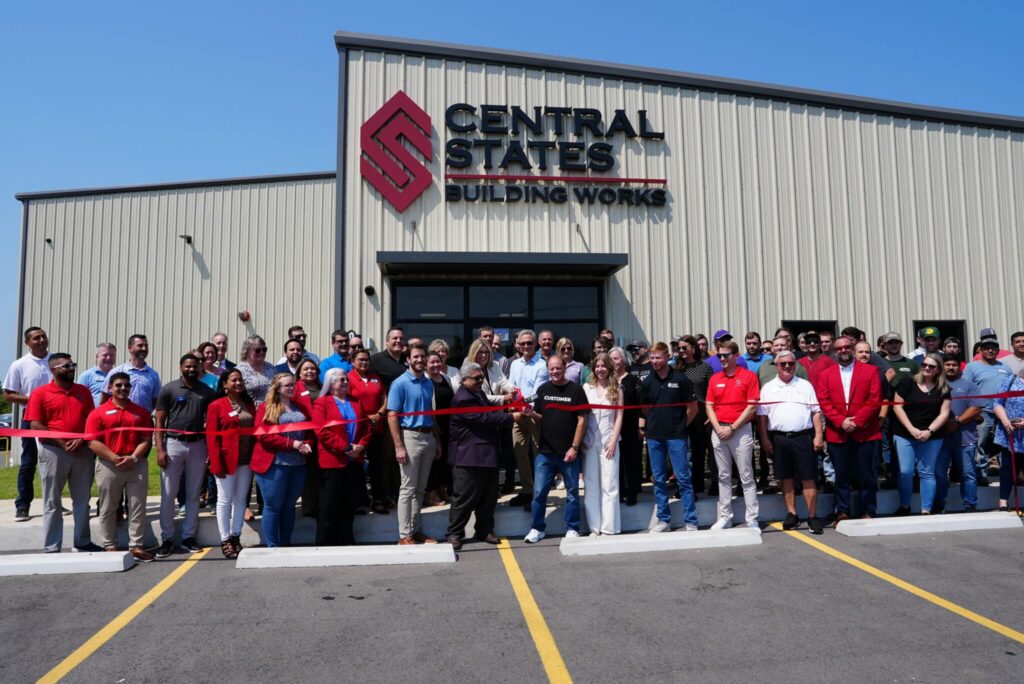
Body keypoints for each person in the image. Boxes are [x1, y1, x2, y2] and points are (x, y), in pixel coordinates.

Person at [25, 353, 98, 552]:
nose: (71, 369)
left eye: (73, 365)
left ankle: (82, 542)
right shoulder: (40, 393)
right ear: (53, 370)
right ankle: (52, 546)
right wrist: (62, 442)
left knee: (82, 500)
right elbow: (35, 425)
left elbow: (91, 421)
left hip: (82, 452)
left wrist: (81, 439)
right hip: (53, 452)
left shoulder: (83, 391)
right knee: (52, 501)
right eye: (66, 366)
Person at [445, 363, 521, 549]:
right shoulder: (463, 398)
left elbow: (489, 413)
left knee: (489, 496)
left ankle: (485, 530)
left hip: (487, 454)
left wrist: (508, 407)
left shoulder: (478, 393)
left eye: (481, 377)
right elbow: (484, 419)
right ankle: (454, 533)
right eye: (476, 378)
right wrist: (512, 418)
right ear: (464, 380)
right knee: (464, 497)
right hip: (468, 456)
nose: (480, 381)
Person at [87, 371, 154, 561]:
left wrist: (133, 457)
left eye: (126, 385)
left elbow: (146, 439)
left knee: (137, 506)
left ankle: (136, 546)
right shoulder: (98, 413)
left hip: (135, 464)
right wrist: (115, 458)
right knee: (108, 507)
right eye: (118, 385)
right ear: (110, 388)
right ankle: (109, 545)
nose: (123, 388)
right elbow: (92, 442)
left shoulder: (140, 412)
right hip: (109, 465)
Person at [154, 354, 215, 558]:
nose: (191, 369)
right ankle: (167, 539)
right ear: (181, 367)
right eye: (188, 366)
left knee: (193, 494)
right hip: (173, 444)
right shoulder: (169, 389)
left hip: (198, 445)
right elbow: (159, 422)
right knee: (169, 494)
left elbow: (212, 421)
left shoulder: (206, 391)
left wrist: (209, 449)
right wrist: (160, 449)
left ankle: (188, 537)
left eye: (195, 366)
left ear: (200, 368)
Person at [757, 351, 825, 534]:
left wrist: (819, 435)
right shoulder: (768, 388)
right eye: (783, 364)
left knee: (809, 478)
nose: (787, 366)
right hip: (779, 439)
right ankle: (792, 514)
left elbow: (816, 412)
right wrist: (765, 439)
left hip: (803, 437)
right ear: (776, 366)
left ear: (795, 365)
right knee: (785, 478)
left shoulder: (805, 385)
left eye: (791, 363)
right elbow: (762, 417)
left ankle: (812, 516)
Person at [524, 355, 589, 543]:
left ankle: (572, 528)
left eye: (558, 368)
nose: (555, 371)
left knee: (572, 493)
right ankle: (537, 528)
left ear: (564, 368)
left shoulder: (576, 390)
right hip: (545, 452)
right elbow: (541, 418)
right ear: (548, 370)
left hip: (569, 452)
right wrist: (531, 414)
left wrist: (574, 447)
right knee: (539, 494)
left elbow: (582, 421)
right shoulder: (543, 390)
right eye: (551, 368)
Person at [816, 336, 882, 522]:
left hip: (866, 431)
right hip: (838, 432)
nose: (843, 350)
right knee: (841, 475)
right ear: (834, 351)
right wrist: (841, 421)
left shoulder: (871, 371)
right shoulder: (825, 374)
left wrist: (858, 421)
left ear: (852, 348)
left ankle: (868, 510)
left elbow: (874, 399)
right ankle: (842, 511)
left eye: (846, 347)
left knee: (867, 475)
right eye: (839, 348)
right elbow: (824, 401)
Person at [640, 342, 699, 533]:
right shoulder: (648, 381)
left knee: (683, 478)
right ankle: (663, 520)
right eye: (652, 358)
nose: (655, 361)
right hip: (654, 437)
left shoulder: (681, 379)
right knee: (658, 479)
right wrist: (651, 425)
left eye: (658, 357)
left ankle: (691, 520)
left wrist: (680, 425)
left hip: (676, 437)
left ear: (667, 357)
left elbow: (693, 408)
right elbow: (645, 409)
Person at [251, 373, 313, 547]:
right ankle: (273, 547)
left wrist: (307, 444)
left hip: (298, 464)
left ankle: (285, 544)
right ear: (277, 389)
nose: (292, 388)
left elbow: (309, 430)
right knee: (273, 506)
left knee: (289, 505)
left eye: (293, 384)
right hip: (274, 465)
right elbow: (263, 435)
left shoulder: (300, 407)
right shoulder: (266, 407)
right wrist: (293, 444)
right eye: (287, 385)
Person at [388, 343, 440, 545]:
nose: (419, 360)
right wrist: (398, 446)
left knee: (420, 489)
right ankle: (404, 535)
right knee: (408, 488)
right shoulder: (400, 383)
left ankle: (416, 530)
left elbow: (431, 414)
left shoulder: (428, 383)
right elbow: (392, 416)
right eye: (415, 357)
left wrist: (436, 440)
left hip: (428, 437)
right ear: (408, 359)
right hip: (409, 437)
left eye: (422, 356)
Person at [705, 340, 761, 529]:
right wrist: (718, 428)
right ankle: (725, 516)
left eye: (726, 355)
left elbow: (752, 406)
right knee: (723, 476)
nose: (722, 359)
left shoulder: (748, 376)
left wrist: (733, 428)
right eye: (719, 355)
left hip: (740, 431)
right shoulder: (715, 378)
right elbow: (709, 406)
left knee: (746, 475)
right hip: (719, 431)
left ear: (736, 356)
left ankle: (752, 518)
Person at [892, 353, 951, 515]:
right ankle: (905, 505)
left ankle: (926, 509)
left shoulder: (943, 388)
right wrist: (911, 429)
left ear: (938, 369)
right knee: (906, 471)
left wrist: (929, 431)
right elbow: (897, 406)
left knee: (927, 472)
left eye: (931, 366)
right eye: (924, 365)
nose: (926, 368)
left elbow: (944, 414)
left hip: (932, 436)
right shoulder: (907, 382)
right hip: (904, 433)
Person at [314, 369, 369, 546]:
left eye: (346, 379)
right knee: (329, 505)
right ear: (330, 384)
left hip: (354, 460)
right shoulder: (322, 403)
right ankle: (325, 543)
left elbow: (366, 427)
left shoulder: (356, 402)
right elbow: (321, 431)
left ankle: (346, 540)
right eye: (341, 380)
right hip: (333, 460)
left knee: (349, 503)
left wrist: (360, 446)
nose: (345, 382)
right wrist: (345, 447)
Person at [207, 368, 256, 559]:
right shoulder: (216, 405)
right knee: (224, 500)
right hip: (226, 461)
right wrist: (216, 463)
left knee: (241, 500)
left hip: (246, 460)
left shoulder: (248, 404)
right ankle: (225, 539)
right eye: (234, 380)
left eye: (240, 380)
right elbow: (212, 438)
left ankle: (236, 536)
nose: (238, 383)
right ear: (225, 384)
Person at [4, 326, 52, 521]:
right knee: (28, 462)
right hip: (31, 417)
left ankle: (53, 502)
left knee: (56, 462)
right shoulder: (19, 365)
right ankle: (23, 506)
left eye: (43, 337)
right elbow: (8, 395)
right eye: (36, 338)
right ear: (27, 343)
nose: (41, 341)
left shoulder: (56, 361)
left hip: (56, 418)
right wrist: (35, 400)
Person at [582, 352, 623, 535]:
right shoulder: (586, 388)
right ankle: (594, 527)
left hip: (609, 441)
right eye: (597, 366)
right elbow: (582, 416)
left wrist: (614, 440)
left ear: (609, 368)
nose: (600, 369)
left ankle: (609, 527)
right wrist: (582, 439)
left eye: (603, 366)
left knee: (610, 484)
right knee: (591, 484)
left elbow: (619, 416)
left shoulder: (617, 388)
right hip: (590, 442)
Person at [508, 330, 549, 508]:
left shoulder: (542, 365)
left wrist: (522, 406)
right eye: (523, 343)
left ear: (535, 344)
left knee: (538, 454)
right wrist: (512, 403)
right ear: (518, 344)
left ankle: (539, 494)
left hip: (533, 415)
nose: (526, 346)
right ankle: (527, 490)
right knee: (519, 452)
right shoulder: (515, 364)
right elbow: (511, 386)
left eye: (529, 343)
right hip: (518, 414)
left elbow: (537, 394)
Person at [940, 354, 986, 513]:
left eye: (954, 365)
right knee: (939, 475)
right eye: (947, 364)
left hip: (965, 439)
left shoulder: (969, 385)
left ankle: (970, 505)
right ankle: (939, 505)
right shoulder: (936, 384)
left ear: (959, 366)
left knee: (968, 475)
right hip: (941, 439)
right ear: (942, 366)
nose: (950, 367)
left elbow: (977, 408)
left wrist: (957, 422)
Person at [964, 336, 1013, 483]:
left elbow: (1011, 389)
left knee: (1004, 444)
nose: (990, 350)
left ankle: (1006, 474)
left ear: (998, 350)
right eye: (986, 348)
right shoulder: (972, 367)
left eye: (993, 348)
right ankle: (981, 475)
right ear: (981, 350)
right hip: (982, 412)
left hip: (1003, 412)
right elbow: (966, 389)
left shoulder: (1005, 367)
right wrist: (972, 411)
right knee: (980, 444)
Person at [348, 348, 389, 514]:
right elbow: (347, 401)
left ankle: (377, 499)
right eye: (360, 359)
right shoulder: (348, 378)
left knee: (376, 465)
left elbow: (384, 398)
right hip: (358, 430)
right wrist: (364, 417)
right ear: (353, 361)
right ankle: (360, 500)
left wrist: (379, 414)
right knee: (357, 466)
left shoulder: (375, 378)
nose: (364, 362)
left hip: (376, 427)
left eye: (366, 359)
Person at [609, 346, 642, 506]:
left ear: (623, 360)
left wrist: (641, 427)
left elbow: (641, 405)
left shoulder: (634, 380)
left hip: (630, 425)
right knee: (616, 461)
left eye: (616, 358)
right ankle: (620, 491)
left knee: (631, 460)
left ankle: (632, 493)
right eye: (611, 359)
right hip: (611, 427)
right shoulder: (607, 381)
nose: (614, 362)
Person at [425, 349, 457, 506]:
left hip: (448, 426)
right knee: (434, 460)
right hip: (434, 426)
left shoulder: (446, 378)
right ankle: (430, 492)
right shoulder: (425, 381)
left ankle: (441, 488)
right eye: (432, 362)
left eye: (438, 361)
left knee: (444, 460)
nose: (436, 364)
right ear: (426, 364)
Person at [103, 334, 161, 411]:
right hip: (119, 417)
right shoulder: (117, 372)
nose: (144, 348)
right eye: (140, 345)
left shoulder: (153, 375)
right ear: (130, 348)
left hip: (143, 417)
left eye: (146, 346)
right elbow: (105, 397)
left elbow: (156, 400)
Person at [294, 358, 323, 517]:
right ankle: (308, 507)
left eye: (312, 368)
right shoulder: (295, 388)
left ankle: (319, 504)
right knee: (308, 472)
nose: (309, 371)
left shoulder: (323, 387)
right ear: (299, 373)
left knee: (319, 471)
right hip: (304, 434)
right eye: (306, 369)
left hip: (322, 435)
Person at [992, 370, 1024, 511]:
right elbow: (997, 403)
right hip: (1009, 433)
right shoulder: (1011, 380)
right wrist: (1005, 421)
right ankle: (1003, 502)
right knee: (1007, 468)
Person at [237, 335, 276, 405]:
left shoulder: (272, 368)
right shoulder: (239, 371)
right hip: (249, 408)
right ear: (246, 352)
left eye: (264, 349)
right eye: (257, 350)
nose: (262, 352)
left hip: (270, 408)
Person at [78, 342, 116, 406]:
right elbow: (79, 398)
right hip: (95, 412)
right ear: (97, 356)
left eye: (112, 355)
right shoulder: (86, 376)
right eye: (105, 355)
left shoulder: (120, 374)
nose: (108, 358)